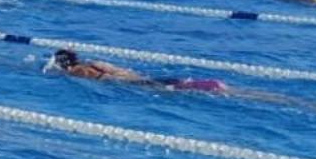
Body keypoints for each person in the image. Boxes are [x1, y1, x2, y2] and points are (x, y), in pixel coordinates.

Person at [46, 48, 289, 101]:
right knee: (233, 91)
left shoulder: (77, 72)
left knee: (233, 95)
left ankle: (273, 98)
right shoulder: (96, 61)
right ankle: (276, 97)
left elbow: (105, 82)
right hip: (151, 78)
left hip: (147, 85)